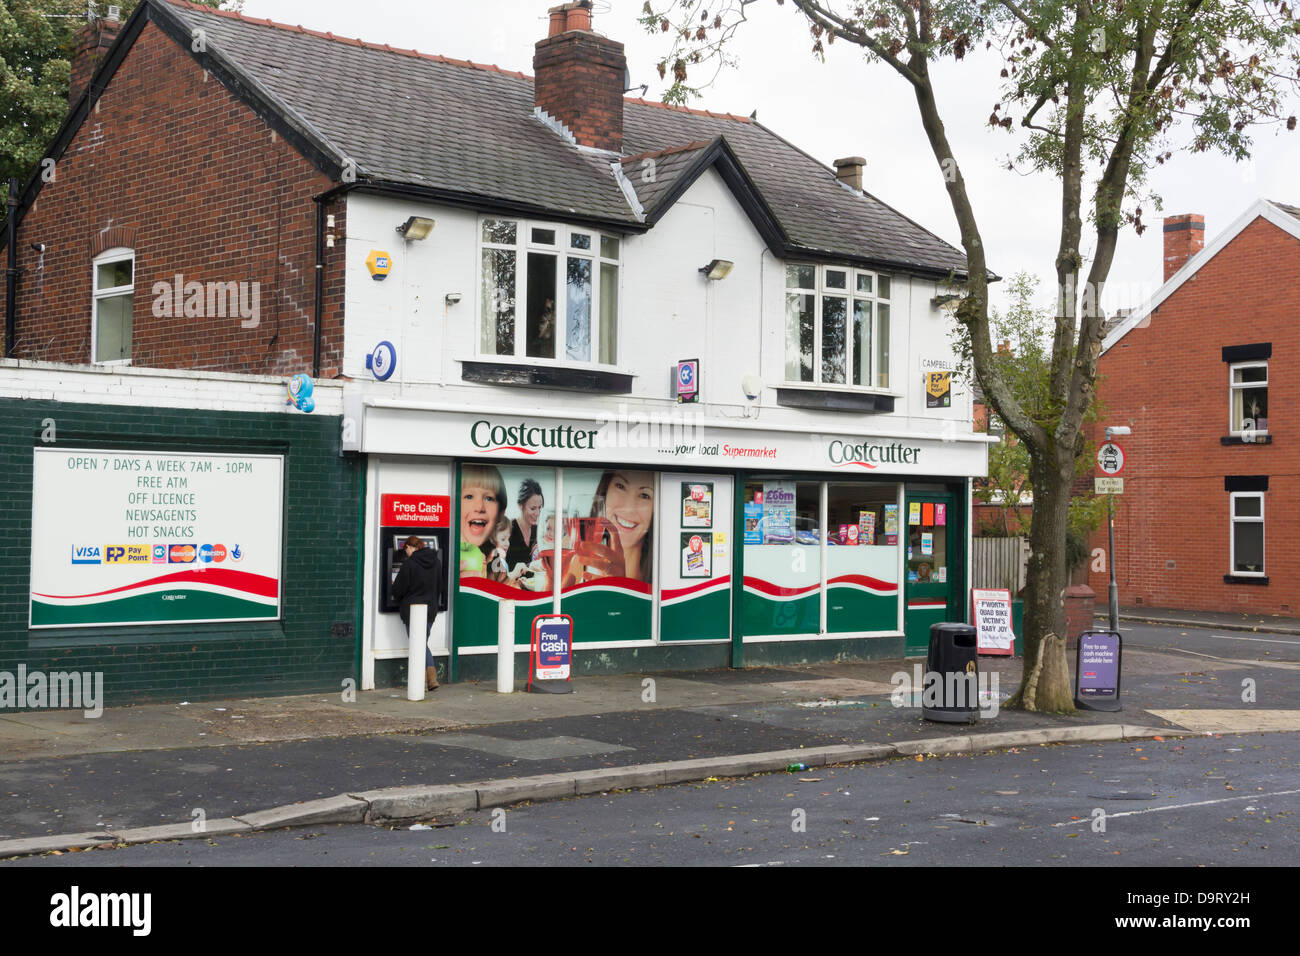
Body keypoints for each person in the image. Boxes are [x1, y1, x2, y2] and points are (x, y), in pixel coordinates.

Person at [563, 469, 654, 586]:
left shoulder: (665, 572)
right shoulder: (570, 556)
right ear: (606, 490)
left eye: (644, 495)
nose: (628, 507)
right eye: (620, 486)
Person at [391, 535, 443, 691]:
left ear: (408, 547)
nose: (405, 553)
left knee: (418, 644)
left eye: (405, 549)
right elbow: (440, 586)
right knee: (422, 643)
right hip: (430, 610)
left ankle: (427, 680)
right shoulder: (436, 562)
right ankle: (429, 679)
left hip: (413, 610)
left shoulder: (409, 564)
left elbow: (398, 589)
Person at [459, 464, 506, 578]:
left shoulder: (495, 564)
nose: (479, 507)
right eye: (469, 496)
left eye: (489, 498)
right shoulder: (442, 558)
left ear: (501, 513)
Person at [507, 478, 545, 569]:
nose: (538, 513)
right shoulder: (507, 530)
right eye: (533, 508)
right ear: (520, 505)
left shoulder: (539, 531)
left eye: (540, 508)